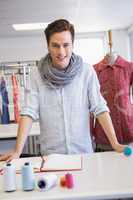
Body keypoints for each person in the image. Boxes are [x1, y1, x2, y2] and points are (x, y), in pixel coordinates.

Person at [0, 19, 125, 162]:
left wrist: (114, 143)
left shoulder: (86, 72)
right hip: (50, 157)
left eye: (66, 45)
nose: (61, 52)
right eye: (55, 45)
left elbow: (100, 108)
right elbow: (28, 112)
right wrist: (17, 151)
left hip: (84, 155)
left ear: (73, 44)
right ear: (48, 46)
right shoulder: (36, 74)